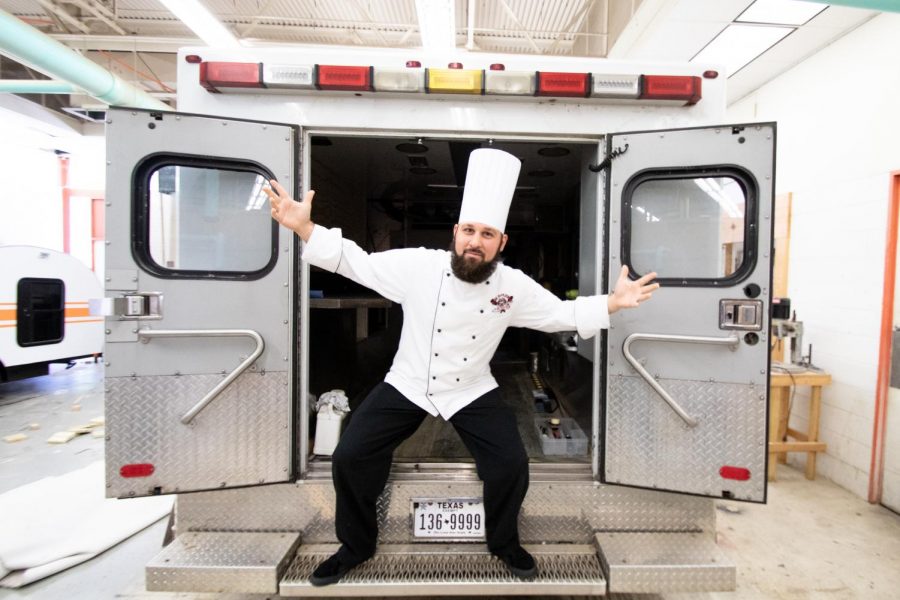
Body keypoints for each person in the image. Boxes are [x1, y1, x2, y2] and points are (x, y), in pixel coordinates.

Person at [266, 148, 659, 586]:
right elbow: (357, 262)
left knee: (510, 464)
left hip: (471, 387)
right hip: (409, 382)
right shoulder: (418, 266)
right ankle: (355, 546)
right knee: (352, 456)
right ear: (455, 233)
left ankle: (504, 543)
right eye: (469, 230)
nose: (475, 241)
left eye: (487, 233)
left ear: (501, 243)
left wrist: (614, 302)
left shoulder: (513, 286)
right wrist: (303, 226)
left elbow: (561, 315)